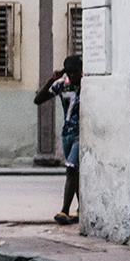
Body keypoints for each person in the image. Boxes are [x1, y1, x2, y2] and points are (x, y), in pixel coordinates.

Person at [36, 55, 82, 225]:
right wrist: (51, 79)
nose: (71, 76)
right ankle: (82, 207)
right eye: (68, 72)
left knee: (71, 168)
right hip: (67, 134)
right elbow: (38, 99)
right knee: (74, 172)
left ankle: (64, 210)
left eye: (75, 72)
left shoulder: (87, 85)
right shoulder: (62, 85)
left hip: (81, 134)